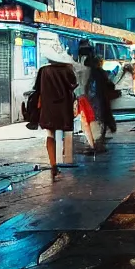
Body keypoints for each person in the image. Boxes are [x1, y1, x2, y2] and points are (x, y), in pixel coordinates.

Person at [34, 43, 78, 181]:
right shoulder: (68, 70)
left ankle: (53, 165)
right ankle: (66, 155)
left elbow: (37, 89)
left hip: (48, 107)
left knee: (50, 134)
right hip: (64, 106)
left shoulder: (43, 71)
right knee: (66, 131)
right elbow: (74, 86)